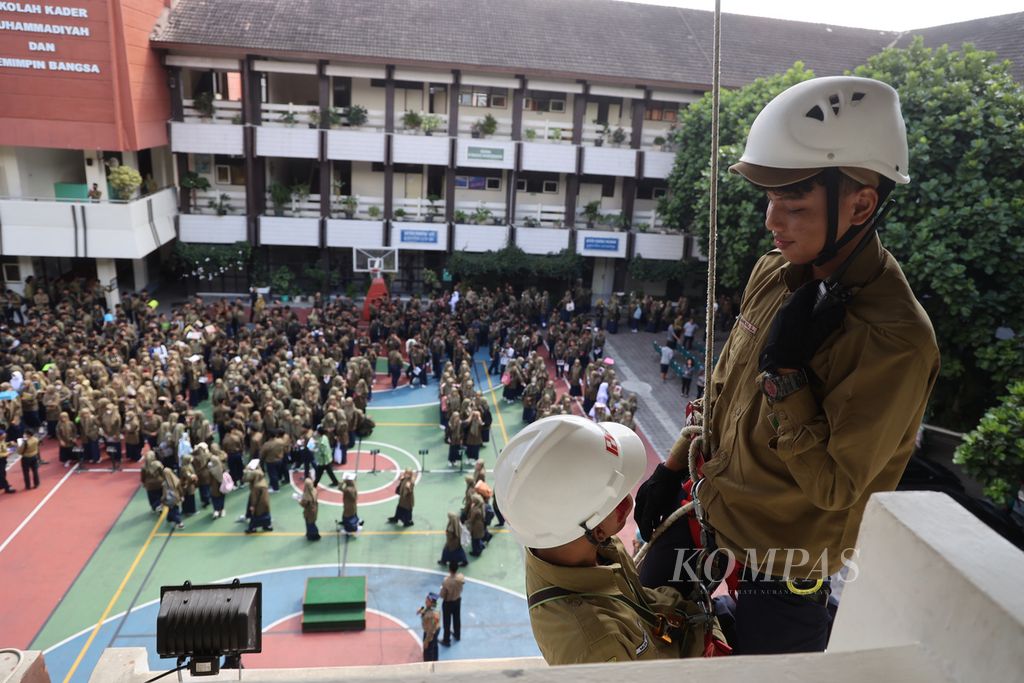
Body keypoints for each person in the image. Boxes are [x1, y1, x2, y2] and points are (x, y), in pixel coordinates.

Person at [634, 76, 939, 656]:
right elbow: (722, 397)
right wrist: (673, 466)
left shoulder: (894, 339)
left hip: (783, 572)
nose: (772, 222)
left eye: (793, 206)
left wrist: (785, 377)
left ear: (861, 204)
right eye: (769, 201)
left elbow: (835, 487)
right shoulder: (774, 273)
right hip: (710, 522)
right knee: (638, 644)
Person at [494, 415, 722, 665]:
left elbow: (640, 602)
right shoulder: (594, 646)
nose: (629, 500)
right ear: (607, 521)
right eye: (622, 496)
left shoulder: (575, 543)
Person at [439, 562, 465, 647]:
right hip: (457, 600)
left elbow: (442, 595)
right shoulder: (461, 577)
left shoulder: (446, 581)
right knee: (457, 618)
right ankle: (457, 635)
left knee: (447, 622)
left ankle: (446, 640)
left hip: (448, 603)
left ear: (449, 569)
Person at [243, 466, 273, 533]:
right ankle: (267, 526)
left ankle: (252, 528)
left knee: (255, 516)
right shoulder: (263, 481)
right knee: (266, 514)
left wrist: (252, 506)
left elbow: (254, 498)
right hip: (265, 502)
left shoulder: (256, 486)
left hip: (258, 504)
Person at [418, 592, 441, 662]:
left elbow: (431, 630)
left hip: (430, 632)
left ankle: (428, 664)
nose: (425, 601)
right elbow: (427, 610)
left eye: (427, 600)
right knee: (434, 646)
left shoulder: (432, 615)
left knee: (427, 650)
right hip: (436, 629)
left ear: (431, 602)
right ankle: (435, 660)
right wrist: (422, 611)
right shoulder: (434, 608)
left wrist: (427, 641)